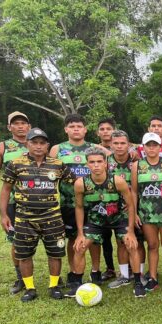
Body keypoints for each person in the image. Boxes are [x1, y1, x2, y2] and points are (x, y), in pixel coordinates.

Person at [0, 128, 75, 301]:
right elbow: (5, 190)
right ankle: (30, 288)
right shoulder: (16, 164)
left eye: (42, 143)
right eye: (34, 142)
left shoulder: (58, 164)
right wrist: (4, 215)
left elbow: (76, 183)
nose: (38, 146)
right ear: (27, 143)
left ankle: (54, 286)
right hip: (25, 218)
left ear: (47, 145)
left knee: (55, 253)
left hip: (52, 217)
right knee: (24, 255)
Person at [70, 148, 145, 298]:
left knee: (131, 244)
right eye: (92, 162)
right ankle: (77, 285)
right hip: (96, 221)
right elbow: (79, 207)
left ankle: (138, 283)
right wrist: (79, 234)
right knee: (80, 247)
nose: (96, 165)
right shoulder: (80, 184)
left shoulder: (117, 181)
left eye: (99, 161)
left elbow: (130, 205)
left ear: (105, 163)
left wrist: (130, 231)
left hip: (118, 218)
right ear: (87, 164)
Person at [0, 111, 31, 294]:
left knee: (47, 239)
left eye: (23, 123)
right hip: (14, 202)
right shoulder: (3, 147)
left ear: (29, 126)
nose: (20, 126)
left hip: (41, 201)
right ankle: (21, 279)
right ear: (9, 127)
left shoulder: (38, 142)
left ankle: (55, 278)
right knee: (17, 241)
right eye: (16, 123)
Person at [49, 114, 99, 287]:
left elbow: (116, 153)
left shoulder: (94, 148)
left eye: (79, 126)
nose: (76, 129)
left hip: (92, 202)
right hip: (68, 203)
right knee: (72, 239)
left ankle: (95, 271)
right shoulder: (58, 149)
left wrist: (136, 150)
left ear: (85, 129)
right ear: (66, 129)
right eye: (72, 126)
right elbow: (49, 173)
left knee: (94, 239)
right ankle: (73, 271)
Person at [132, 132, 162, 292]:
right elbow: (134, 191)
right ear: (143, 147)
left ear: (160, 147)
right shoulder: (137, 166)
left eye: (155, 145)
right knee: (152, 245)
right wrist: (135, 213)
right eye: (148, 145)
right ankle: (152, 277)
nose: (151, 148)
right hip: (146, 213)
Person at [106, 130, 147, 289]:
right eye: (115, 143)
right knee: (120, 243)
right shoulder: (106, 162)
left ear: (129, 145)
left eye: (123, 143)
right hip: (115, 209)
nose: (119, 146)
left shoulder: (137, 162)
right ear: (110, 145)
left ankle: (141, 274)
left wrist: (136, 209)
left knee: (137, 242)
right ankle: (123, 275)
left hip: (136, 208)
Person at [95, 117, 118, 281]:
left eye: (108, 129)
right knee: (105, 239)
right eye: (102, 129)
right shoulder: (94, 151)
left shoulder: (124, 148)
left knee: (122, 237)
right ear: (97, 132)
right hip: (100, 199)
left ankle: (129, 269)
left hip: (119, 200)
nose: (105, 132)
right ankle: (110, 268)